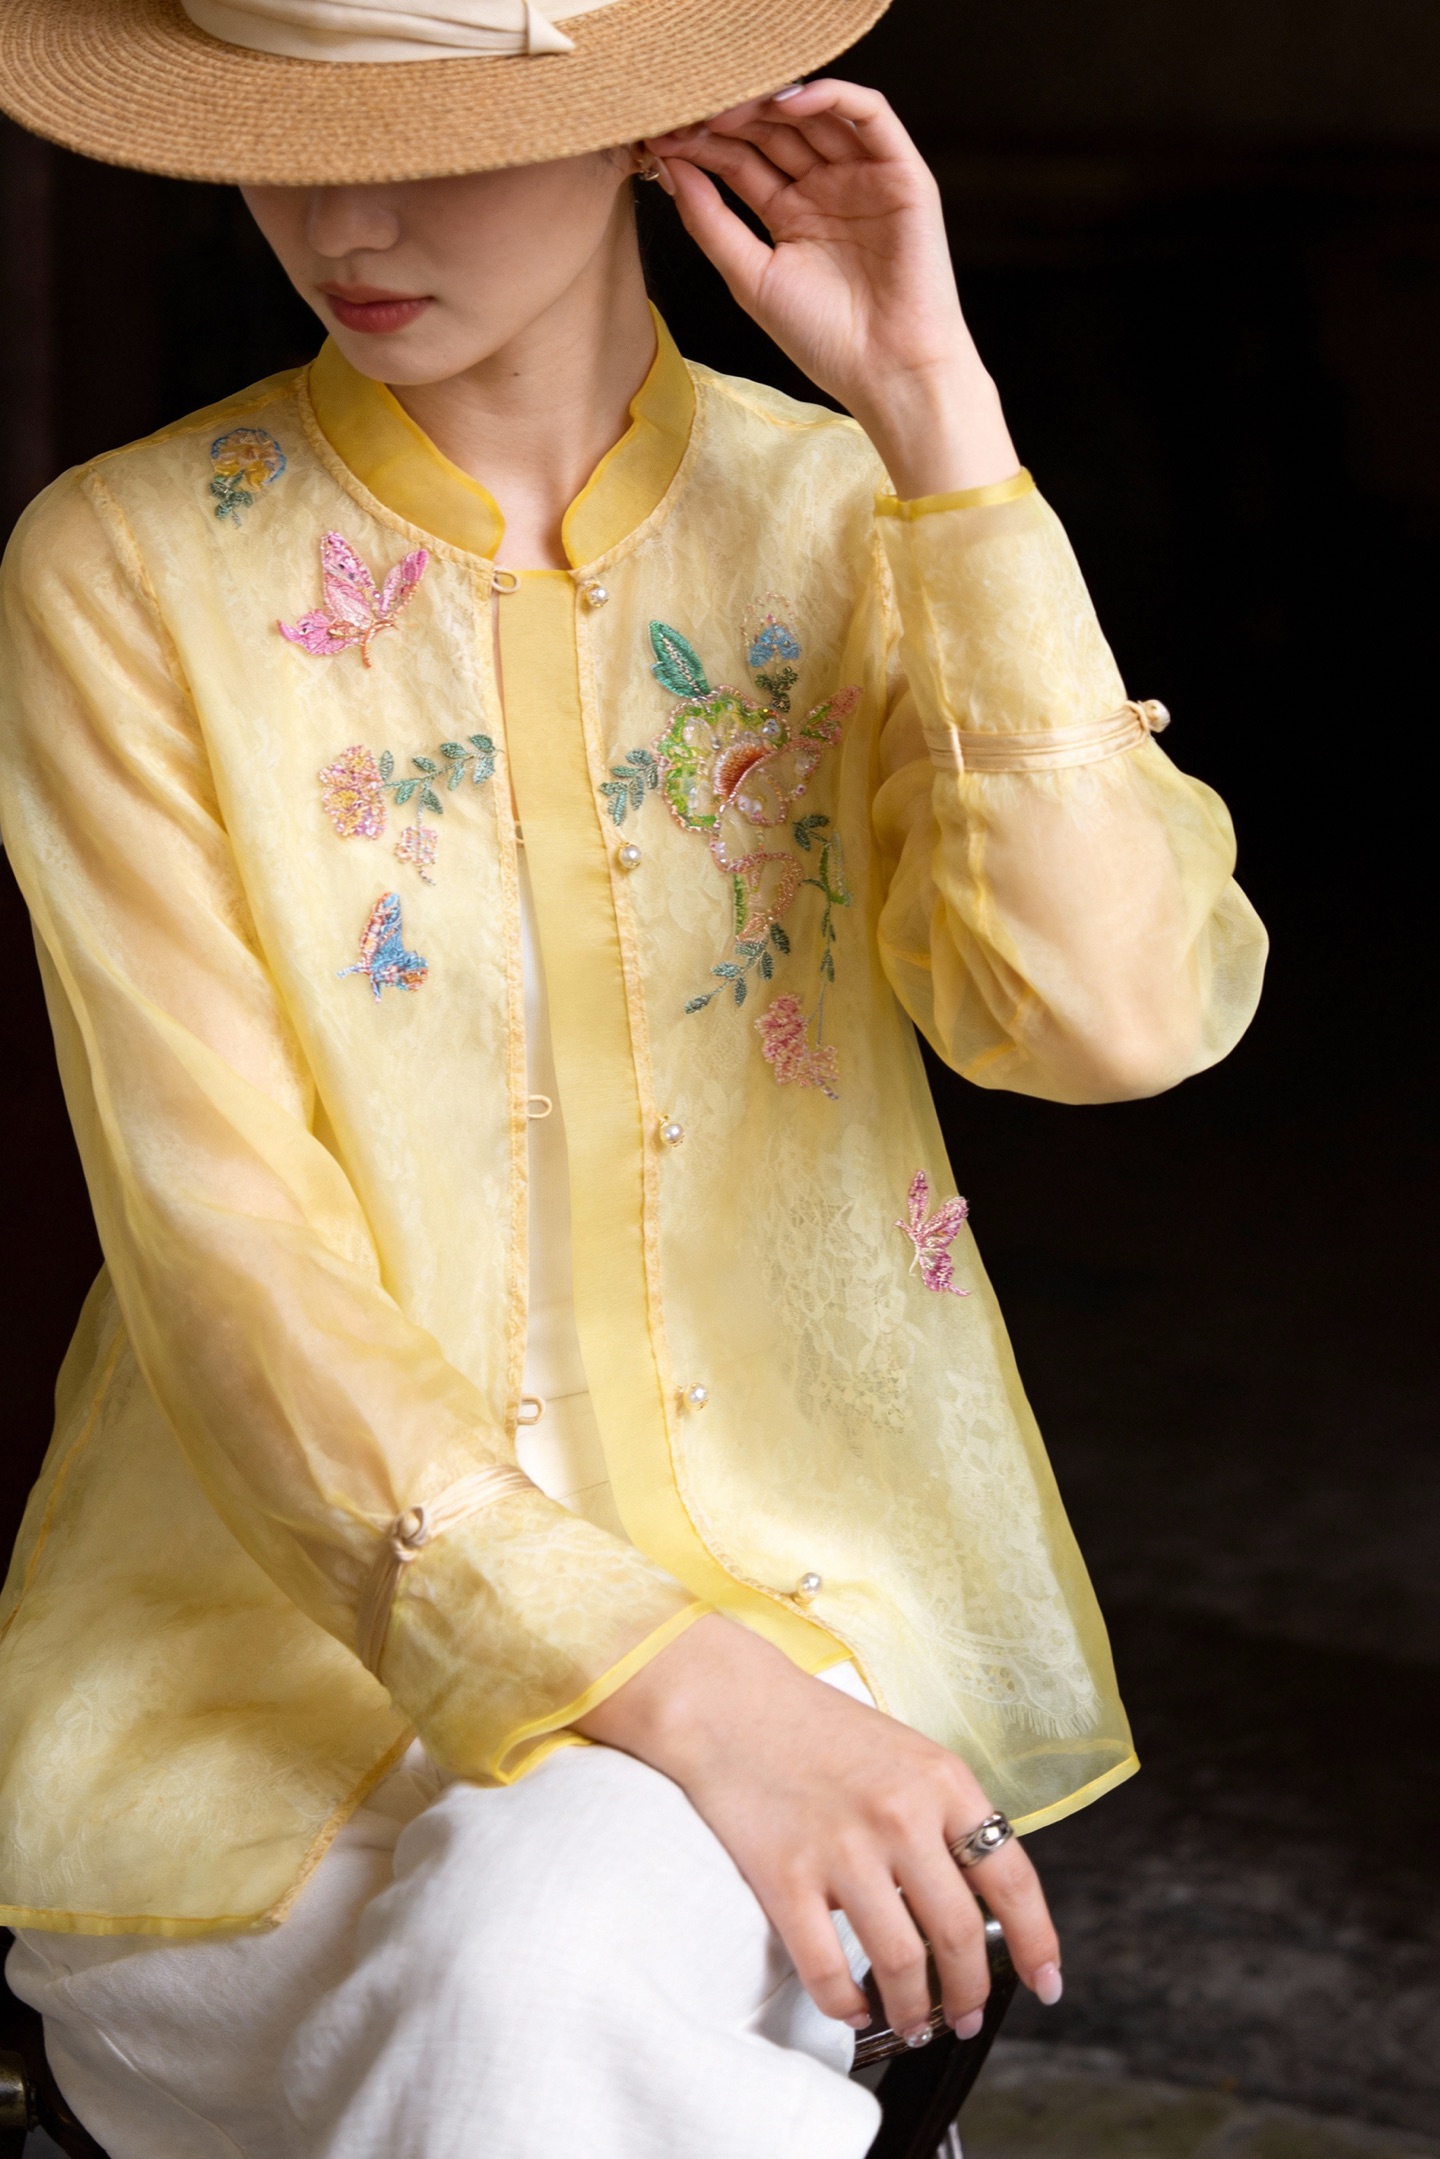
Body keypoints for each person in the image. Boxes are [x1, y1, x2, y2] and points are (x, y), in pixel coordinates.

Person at [0, 0, 1268, 2149]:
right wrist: (690, 1701)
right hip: (244, 1691)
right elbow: (226, 1251)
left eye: (433, 141)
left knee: (532, 1971)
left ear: (640, 130)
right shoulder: (124, 568)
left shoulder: (852, 518)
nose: (342, 219)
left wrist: (939, 418)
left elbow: (1105, 1016)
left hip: (807, 1603)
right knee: (520, 2000)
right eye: (283, 139)